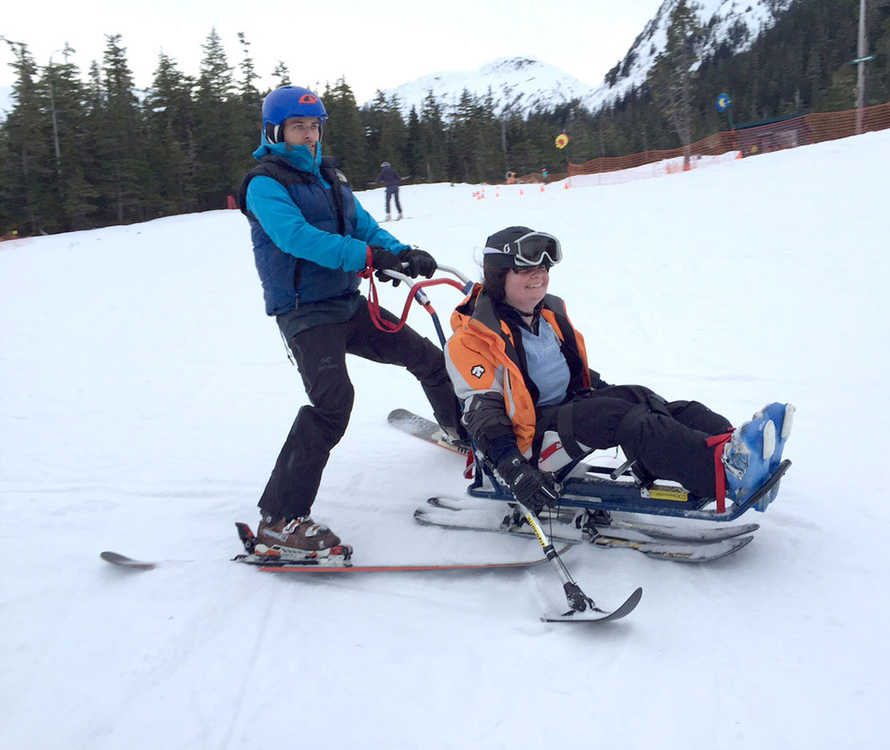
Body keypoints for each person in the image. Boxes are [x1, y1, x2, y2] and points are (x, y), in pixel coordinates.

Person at [237, 85, 462, 558]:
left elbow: (363, 226)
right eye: (298, 127)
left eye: (314, 126)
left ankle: (460, 430)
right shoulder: (264, 184)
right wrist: (367, 257)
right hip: (304, 311)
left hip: (346, 302)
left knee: (428, 358)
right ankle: (278, 520)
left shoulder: (329, 177)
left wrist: (400, 252)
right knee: (332, 403)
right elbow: (297, 238)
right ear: (275, 132)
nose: (308, 135)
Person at [444, 226, 793, 515]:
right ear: (499, 276)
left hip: (565, 412)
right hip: (529, 443)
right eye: (525, 270)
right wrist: (513, 469)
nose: (539, 277)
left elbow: (572, 372)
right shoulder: (471, 341)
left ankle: (735, 448)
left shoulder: (546, 316)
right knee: (622, 417)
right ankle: (723, 475)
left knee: (644, 399)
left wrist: (621, 396)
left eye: (544, 269)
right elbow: (483, 415)